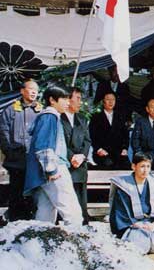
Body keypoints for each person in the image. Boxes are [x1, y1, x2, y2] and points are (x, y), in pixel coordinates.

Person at [23, 85, 83, 225]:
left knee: (45, 216)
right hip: (54, 169)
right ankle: (76, 245)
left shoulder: (47, 116)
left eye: (69, 98)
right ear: (52, 100)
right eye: (64, 98)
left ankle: (38, 245)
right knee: (72, 213)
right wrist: (52, 169)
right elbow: (43, 147)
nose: (68, 102)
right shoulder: (49, 116)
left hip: (44, 173)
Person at [109, 152, 154, 255]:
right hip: (134, 226)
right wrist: (137, 224)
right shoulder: (124, 186)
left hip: (153, 226)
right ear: (134, 166)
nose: (145, 170)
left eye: (148, 166)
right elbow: (120, 211)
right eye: (142, 166)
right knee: (137, 247)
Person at [0, 79, 42, 221]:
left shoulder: (40, 110)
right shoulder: (11, 109)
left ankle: (31, 221)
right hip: (15, 160)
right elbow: (3, 132)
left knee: (32, 192)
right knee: (16, 191)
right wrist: (9, 151)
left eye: (36, 90)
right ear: (22, 91)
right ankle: (14, 221)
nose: (33, 92)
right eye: (30, 89)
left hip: (34, 160)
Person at [61, 87, 92, 224]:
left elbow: (87, 140)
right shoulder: (58, 118)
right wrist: (71, 157)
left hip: (80, 165)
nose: (80, 102)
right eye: (78, 98)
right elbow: (60, 141)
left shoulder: (82, 119)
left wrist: (81, 156)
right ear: (68, 99)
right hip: (67, 164)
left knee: (81, 199)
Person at [89, 92, 130, 170]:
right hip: (102, 152)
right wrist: (98, 149)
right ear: (103, 101)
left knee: (127, 166)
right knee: (108, 164)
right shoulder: (96, 117)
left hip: (118, 152)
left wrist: (125, 149)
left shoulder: (120, 117)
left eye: (113, 99)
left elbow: (126, 135)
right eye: (108, 99)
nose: (111, 102)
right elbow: (92, 136)